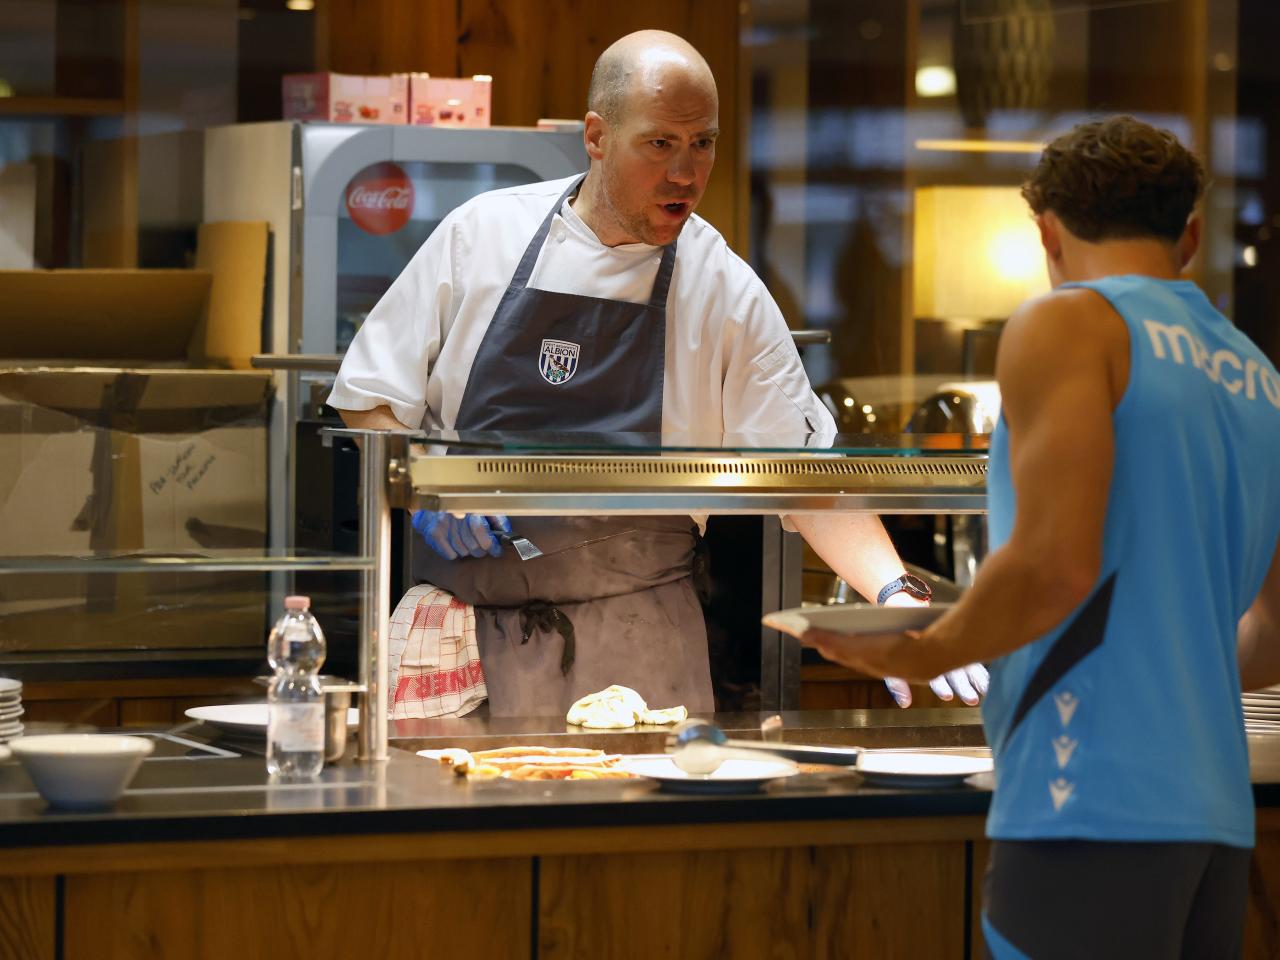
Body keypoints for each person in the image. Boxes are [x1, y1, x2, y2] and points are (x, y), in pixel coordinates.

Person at [329, 30, 987, 717]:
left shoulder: (722, 288)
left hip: (640, 648)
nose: (685, 172)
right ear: (596, 136)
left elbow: (806, 476)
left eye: (703, 143)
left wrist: (895, 595)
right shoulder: (483, 236)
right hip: (460, 648)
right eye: (660, 143)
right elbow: (367, 396)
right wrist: (429, 483)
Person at [775, 114, 1280, 957]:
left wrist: (923, 651)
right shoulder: (1258, 376)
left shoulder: (1069, 323)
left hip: (1086, 795)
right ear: (1189, 237)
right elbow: (1270, 640)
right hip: (1216, 817)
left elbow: (1053, 565)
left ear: (1047, 233)